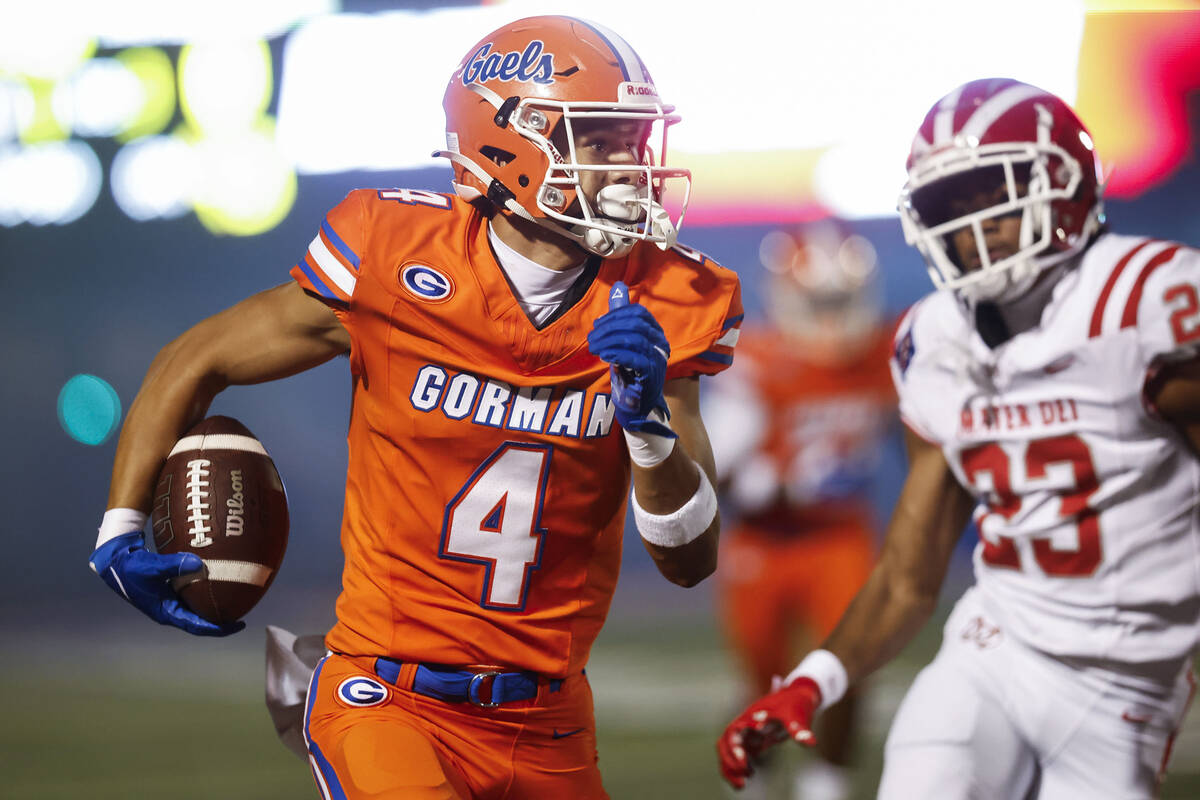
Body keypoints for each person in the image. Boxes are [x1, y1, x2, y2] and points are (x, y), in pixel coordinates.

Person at [87, 15, 742, 800]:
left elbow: (689, 561)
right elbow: (195, 359)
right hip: (391, 698)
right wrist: (120, 525)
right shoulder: (394, 254)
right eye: (599, 141)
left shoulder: (669, 298)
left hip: (551, 719)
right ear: (510, 148)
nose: (631, 169)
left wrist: (648, 430)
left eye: (634, 143)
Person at [717, 77, 1200, 799]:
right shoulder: (933, 337)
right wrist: (817, 679)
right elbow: (911, 574)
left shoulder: (1146, 300)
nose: (973, 228)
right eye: (951, 208)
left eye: (993, 194)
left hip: (1128, 674)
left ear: (1061, 182)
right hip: (994, 651)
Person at [705, 221, 895, 799]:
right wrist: (784, 487)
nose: (833, 316)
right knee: (763, 681)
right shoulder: (761, 360)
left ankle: (826, 786)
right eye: (819, 301)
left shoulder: (885, 353)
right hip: (763, 543)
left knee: (846, 669)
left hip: (840, 537)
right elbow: (719, 475)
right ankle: (756, 784)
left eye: (839, 300)